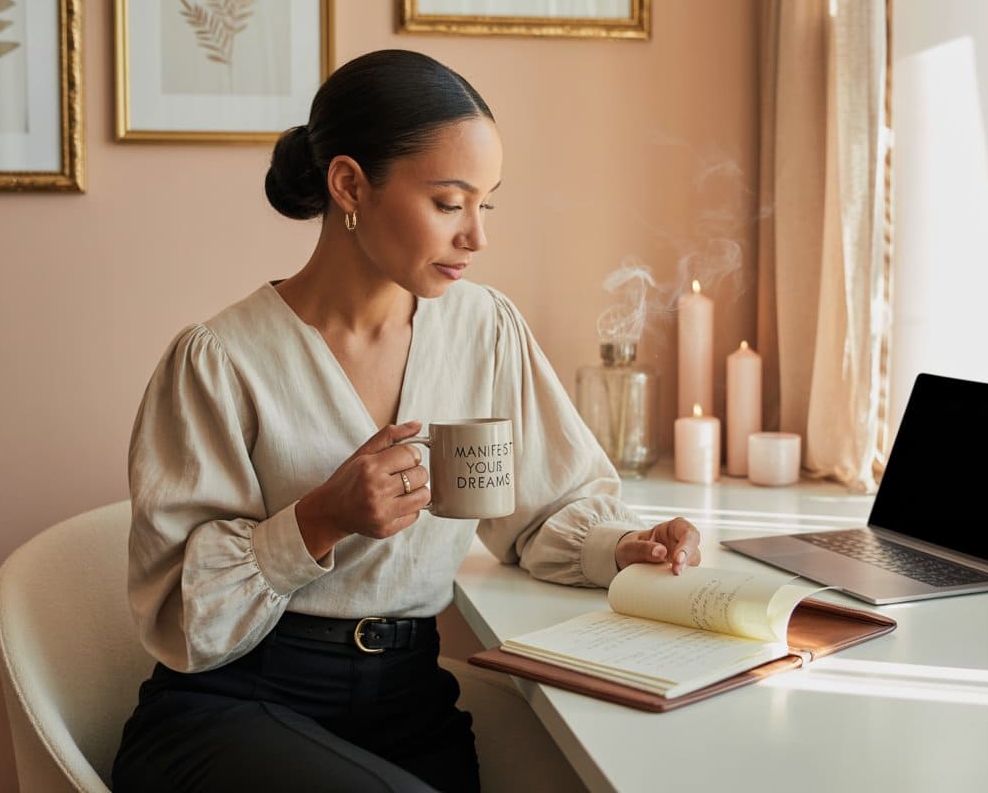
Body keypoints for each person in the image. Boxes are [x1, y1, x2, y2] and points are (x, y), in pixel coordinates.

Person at [111, 49, 702, 793]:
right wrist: (320, 518)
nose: (477, 236)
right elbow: (179, 616)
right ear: (350, 184)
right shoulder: (220, 361)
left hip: (408, 701)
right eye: (449, 203)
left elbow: (542, 510)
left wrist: (626, 545)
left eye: (487, 204)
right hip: (236, 701)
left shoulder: (484, 329)